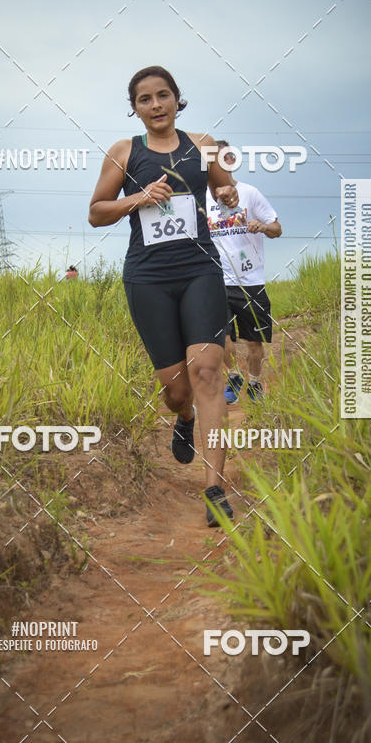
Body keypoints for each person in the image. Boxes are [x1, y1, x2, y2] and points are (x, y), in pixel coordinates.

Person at [88, 66, 238, 526]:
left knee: (208, 372)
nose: (155, 105)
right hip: (148, 277)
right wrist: (138, 198)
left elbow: (224, 187)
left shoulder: (205, 143)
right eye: (145, 99)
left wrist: (229, 194)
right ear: (134, 108)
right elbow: (96, 212)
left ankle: (214, 489)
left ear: (177, 99)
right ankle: (185, 417)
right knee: (176, 389)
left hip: (200, 270)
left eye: (163, 96)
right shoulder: (123, 152)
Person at [205, 141, 282, 404]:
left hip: (250, 281)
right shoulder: (201, 198)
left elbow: (277, 228)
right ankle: (234, 376)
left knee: (253, 342)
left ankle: (255, 382)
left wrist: (262, 226)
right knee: (220, 340)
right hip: (216, 280)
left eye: (221, 159)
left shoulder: (250, 193)